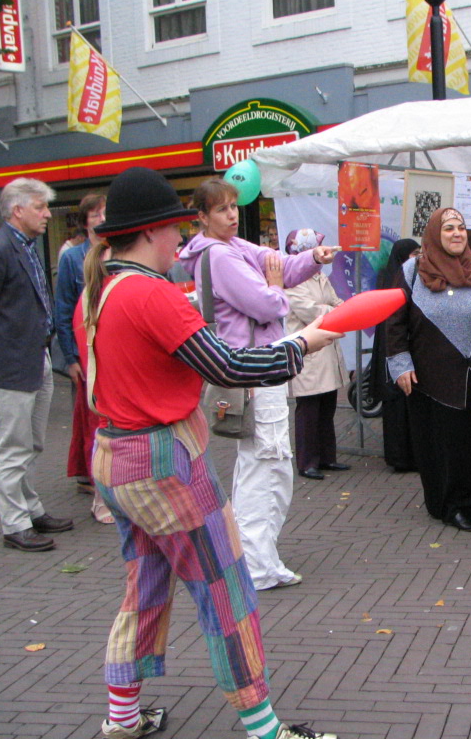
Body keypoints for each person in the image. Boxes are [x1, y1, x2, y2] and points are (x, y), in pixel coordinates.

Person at [75, 166, 340, 739]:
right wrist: (305, 343)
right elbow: (232, 365)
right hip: (164, 462)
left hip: (114, 459)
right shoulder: (150, 293)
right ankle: (266, 729)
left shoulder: (98, 291)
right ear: (150, 233)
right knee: (226, 589)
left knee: (144, 586)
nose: (183, 239)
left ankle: (122, 718)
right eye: (174, 228)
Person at [179, 178, 337, 590]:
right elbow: (267, 301)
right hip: (254, 369)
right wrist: (278, 286)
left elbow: (277, 264)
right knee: (267, 463)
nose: (231, 215)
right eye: (221, 209)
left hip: (255, 367)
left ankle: (256, 557)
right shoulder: (220, 256)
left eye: (233, 206)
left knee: (263, 464)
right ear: (202, 217)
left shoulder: (230, 248)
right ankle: (257, 564)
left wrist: (312, 259)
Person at [386, 207, 471, 532]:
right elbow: (395, 322)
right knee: (436, 444)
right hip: (427, 378)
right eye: (448, 229)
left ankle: (467, 501)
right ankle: (445, 503)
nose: (457, 234)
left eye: (461, 228)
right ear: (433, 235)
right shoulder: (412, 271)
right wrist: (400, 364)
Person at [0, 177, 73, 552]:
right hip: (10, 365)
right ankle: (15, 524)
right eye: (40, 206)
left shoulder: (26, 245)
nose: (47, 214)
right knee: (11, 447)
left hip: (35, 358)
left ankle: (30, 509)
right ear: (17, 210)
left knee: (31, 442)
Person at [55, 193, 113, 523]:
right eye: (96, 214)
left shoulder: (115, 252)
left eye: (106, 213)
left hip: (108, 350)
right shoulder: (72, 259)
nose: (102, 219)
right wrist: (70, 357)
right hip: (87, 350)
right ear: (86, 220)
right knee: (93, 419)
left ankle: (95, 481)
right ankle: (96, 485)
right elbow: (64, 309)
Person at [284, 229, 349, 481]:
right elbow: (313, 313)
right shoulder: (292, 279)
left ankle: (327, 457)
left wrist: (332, 310)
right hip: (309, 354)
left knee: (327, 408)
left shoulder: (319, 277)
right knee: (309, 411)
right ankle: (307, 462)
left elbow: (337, 304)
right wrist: (332, 310)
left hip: (325, 352)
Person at [370, 239, 420, 472]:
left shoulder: (399, 278)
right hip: (394, 352)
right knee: (396, 406)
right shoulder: (395, 281)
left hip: (401, 351)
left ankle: (408, 455)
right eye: (413, 253)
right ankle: (400, 457)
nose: (417, 257)